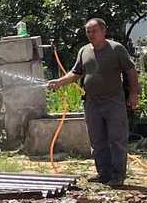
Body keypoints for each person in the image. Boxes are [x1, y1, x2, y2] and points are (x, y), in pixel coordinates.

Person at [47, 17, 139, 187]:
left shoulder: (116, 49)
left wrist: (133, 94)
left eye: (94, 31)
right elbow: (76, 73)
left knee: (117, 139)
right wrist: (59, 82)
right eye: (88, 31)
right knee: (97, 140)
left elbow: (131, 71)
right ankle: (103, 173)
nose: (91, 34)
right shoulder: (84, 51)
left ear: (104, 31)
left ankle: (118, 175)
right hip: (92, 102)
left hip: (113, 101)